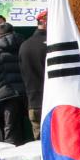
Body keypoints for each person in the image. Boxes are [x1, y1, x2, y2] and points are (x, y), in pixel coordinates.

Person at [18, 10, 48, 140]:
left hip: (33, 101)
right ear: (46, 22)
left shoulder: (25, 45)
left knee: (40, 144)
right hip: (53, 101)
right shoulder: (53, 43)